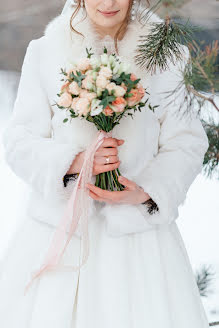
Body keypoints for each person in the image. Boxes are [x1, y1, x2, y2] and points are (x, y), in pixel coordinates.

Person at [0, 0, 210, 327]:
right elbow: (18, 142)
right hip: (60, 237)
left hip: (138, 244)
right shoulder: (45, 51)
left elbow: (187, 142)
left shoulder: (166, 57)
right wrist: (74, 162)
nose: (109, 3)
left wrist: (145, 192)